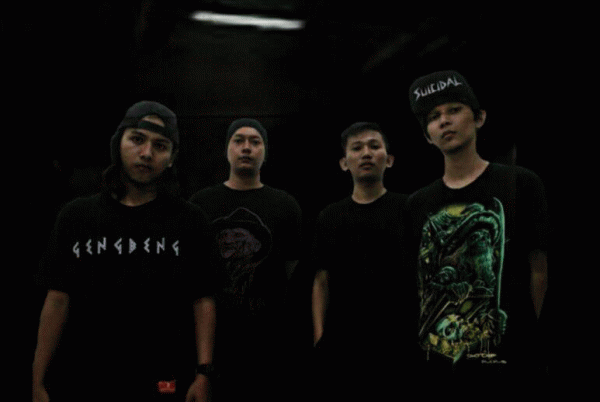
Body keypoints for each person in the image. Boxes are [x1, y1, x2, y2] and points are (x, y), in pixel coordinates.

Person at [32, 101, 216, 402]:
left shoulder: (190, 221)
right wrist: (37, 378)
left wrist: (203, 373)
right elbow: (57, 299)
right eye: (137, 139)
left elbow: (203, 299)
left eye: (160, 145)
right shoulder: (76, 217)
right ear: (118, 144)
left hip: (162, 380)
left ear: (171, 158)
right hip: (84, 379)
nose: (147, 153)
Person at [406, 70, 550, 392]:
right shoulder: (417, 204)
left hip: (513, 364)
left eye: (454, 110)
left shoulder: (521, 183)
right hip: (440, 365)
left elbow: (539, 270)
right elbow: (417, 285)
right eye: (433, 117)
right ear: (427, 136)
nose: (445, 121)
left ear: (479, 117)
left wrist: (524, 336)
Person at [188, 118, 302, 401]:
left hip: (269, 346)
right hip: (214, 345)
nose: (246, 148)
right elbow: (191, 276)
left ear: (265, 152)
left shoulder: (285, 206)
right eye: (238, 140)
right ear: (227, 150)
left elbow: (293, 274)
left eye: (255, 141)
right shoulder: (200, 204)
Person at [310, 122, 410, 400]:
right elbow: (321, 281)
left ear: (389, 160)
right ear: (344, 163)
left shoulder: (409, 209)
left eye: (374, 146)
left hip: (399, 343)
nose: (366, 153)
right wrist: (320, 338)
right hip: (343, 345)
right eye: (357, 148)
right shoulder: (330, 216)